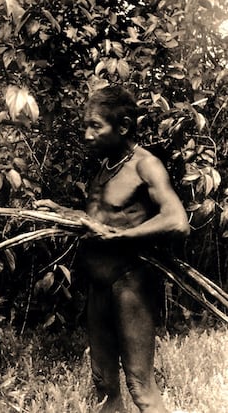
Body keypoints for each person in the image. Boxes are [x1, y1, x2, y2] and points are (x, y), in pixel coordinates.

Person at [35, 86, 190, 413]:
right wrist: (61, 212)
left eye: (96, 126)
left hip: (130, 283)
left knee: (140, 385)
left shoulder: (146, 166)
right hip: (99, 286)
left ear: (123, 127)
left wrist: (123, 238)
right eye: (85, 126)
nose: (87, 135)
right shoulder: (106, 165)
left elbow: (177, 220)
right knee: (104, 384)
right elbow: (102, 221)